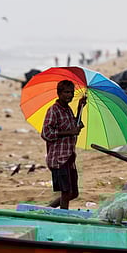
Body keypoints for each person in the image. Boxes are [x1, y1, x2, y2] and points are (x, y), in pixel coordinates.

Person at [41, 80, 87, 209]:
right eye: (66, 92)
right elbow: (46, 133)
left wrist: (79, 109)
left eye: (72, 92)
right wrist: (69, 132)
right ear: (59, 93)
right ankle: (63, 216)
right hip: (59, 158)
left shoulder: (68, 110)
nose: (70, 95)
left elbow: (73, 126)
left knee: (73, 193)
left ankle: (49, 208)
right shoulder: (54, 110)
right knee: (66, 192)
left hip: (69, 156)